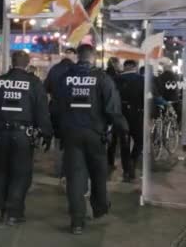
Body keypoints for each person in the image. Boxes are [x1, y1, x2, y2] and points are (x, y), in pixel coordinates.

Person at [55, 44, 129, 235]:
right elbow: (112, 108)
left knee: (75, 179)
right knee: (98, 173)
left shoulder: (65, 78)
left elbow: (55, 106)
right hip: (95, 135)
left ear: (77, 57)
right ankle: (100, 207)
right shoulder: (102, 78)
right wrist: (123, 129)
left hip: (71, 134)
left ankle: (77, 222)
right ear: (93, 57)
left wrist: (58, 131)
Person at [0, 50, 53, 226]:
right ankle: (13, 212)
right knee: (21, 173)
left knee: (2, 170)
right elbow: (42, 112)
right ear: (27, 65)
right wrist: (46, 133)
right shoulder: (34, 83)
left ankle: (2, 205)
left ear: (11, 63)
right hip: (22, 136)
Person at [44, 48, 77, 179]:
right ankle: (68, 170)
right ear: (74, 56)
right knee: (72, 140)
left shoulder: (54, 70)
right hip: (73, 110)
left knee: (58, 140)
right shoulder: (77, 70)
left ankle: (58, 170)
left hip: (56, 108)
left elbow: (45, 88)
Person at [115, 60, 145, 182]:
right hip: (137, 114)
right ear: (135, 66)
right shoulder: (141, 80)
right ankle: (133, 160)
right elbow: (145, 97)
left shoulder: (116, 79)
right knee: (139, 141)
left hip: (121, 114)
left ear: (125, 67)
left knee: (124, 142)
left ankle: (127, 169)